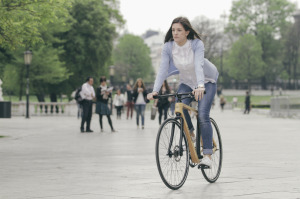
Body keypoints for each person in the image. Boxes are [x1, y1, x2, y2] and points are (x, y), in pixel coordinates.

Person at [147, 17, 219, 168]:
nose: (175, 33)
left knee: (203, 115)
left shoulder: (196, 44)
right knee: (178, 107)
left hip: (205, 81)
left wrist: (200, 86)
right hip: (187, 82)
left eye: (179, 30)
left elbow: (199, 65)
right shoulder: (168, 47)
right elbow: (162, 70)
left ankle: (207, 156)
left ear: (187, 32)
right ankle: (191, 133)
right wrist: (155, 90)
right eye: (173, 30)